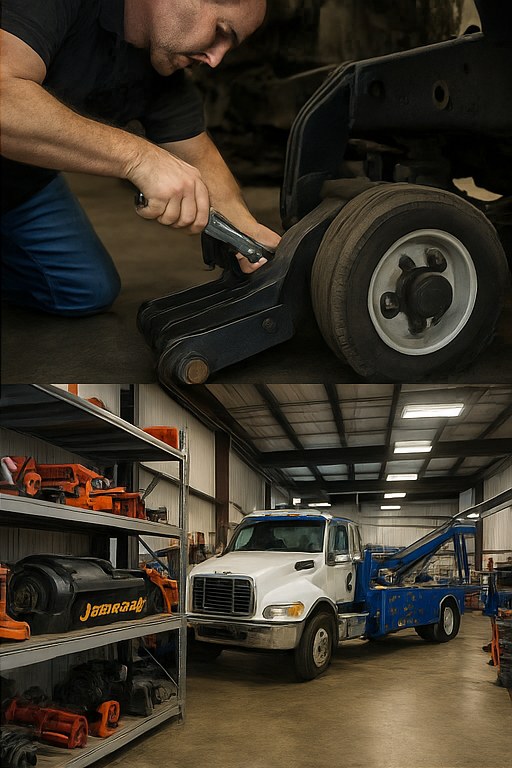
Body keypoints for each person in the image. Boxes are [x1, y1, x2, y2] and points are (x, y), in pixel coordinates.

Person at [0, 0, 281, 316]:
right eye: (219, 31)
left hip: (20, 180)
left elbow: (198, 155)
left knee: (85, 290)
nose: (216, 58)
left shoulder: (160, 68)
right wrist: (139, 158)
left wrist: (248, 231)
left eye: (231, 44)